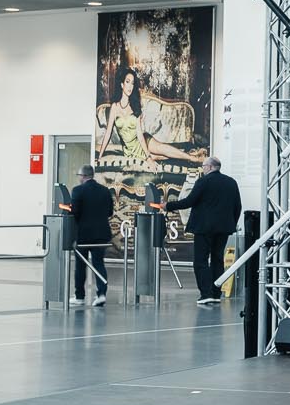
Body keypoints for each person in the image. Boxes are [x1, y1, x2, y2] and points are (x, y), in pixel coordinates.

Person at [162, 155, 242, 305]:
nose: (203, 169)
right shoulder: (231, 182)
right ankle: (216, 293)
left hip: (204, 229)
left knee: (201, 261)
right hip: (223, 229)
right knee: (218, 260)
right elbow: (238, 206)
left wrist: (168, 206)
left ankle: (206, 294)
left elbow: (189, 201)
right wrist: (230, 224)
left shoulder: (203, 182)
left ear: (210, 167)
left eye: (204, 166)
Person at [96, 68, 208, 164]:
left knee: (161, 149)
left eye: (132, 83)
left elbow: (139, 134)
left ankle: (193, 159)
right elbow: (108, 133)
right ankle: (192, 154)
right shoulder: (115, 107)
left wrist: (148, 157)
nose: (130, 86)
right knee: (165, 158)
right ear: (122, 84)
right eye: (127, 82)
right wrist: (99, 156)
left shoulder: (135, 106)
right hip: (130, 151)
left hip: (143, 141)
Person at [66, 165, 114, 307]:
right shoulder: (105, 191)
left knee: (80, 265)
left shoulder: (78, 190)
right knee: (99, 263)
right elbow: (110, 212)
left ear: (83, 176)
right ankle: (101, 294)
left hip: (83, 234)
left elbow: (74, 212)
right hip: (102, 234)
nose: (79, 178)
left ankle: (79, 296)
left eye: (79, 175)